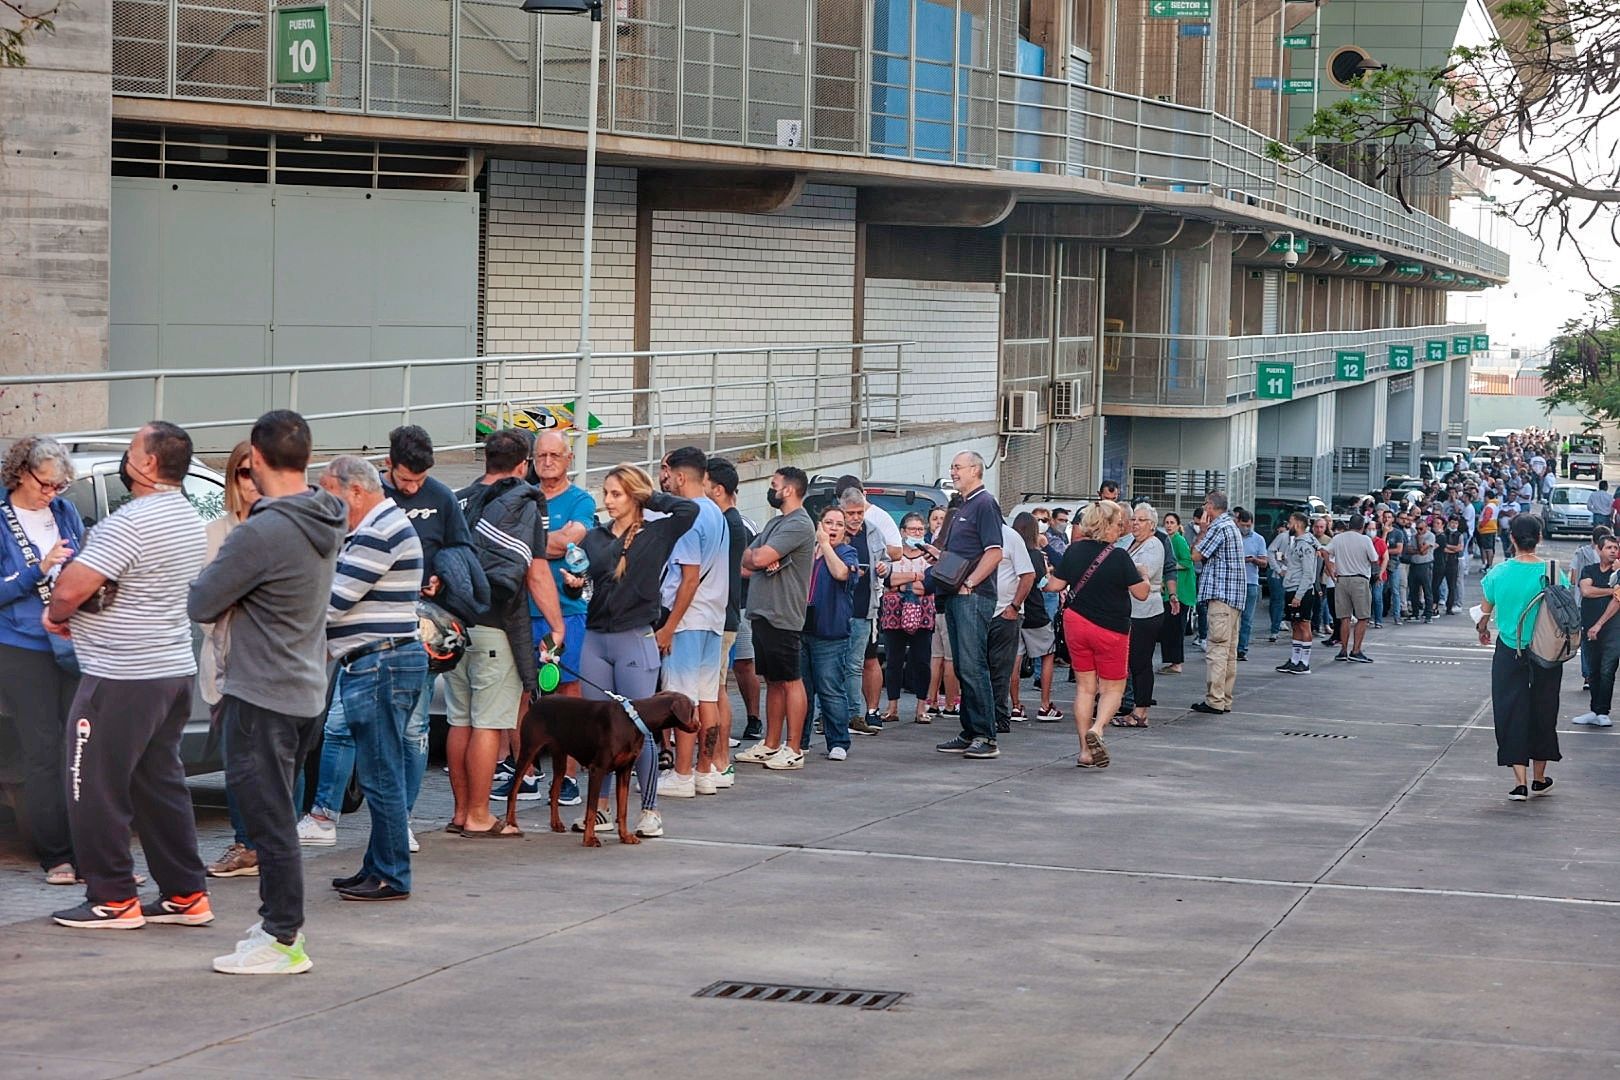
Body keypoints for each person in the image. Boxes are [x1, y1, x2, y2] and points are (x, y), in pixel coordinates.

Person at [188, 411, 343, 972]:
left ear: (253, 459)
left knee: (268, 820)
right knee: (275, 815)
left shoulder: (262, 532)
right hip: (303, 688)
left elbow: (201, 602)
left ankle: (283, 938)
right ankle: (277, 923)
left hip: (263, 695)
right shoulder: (327, 515)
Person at [42, 423, 208, 937]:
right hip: (172, 670)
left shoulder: (130, 522)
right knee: (160, 785)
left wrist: (57, 609)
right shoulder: (187, 516)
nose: (127, 456)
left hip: (122, 673)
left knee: (90, 785)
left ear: (150, 463)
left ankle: (113, 898)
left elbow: (72, 588)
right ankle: (186, 892)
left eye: (133, 449)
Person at [314, 457, 428, 901]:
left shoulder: (378, 530)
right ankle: (376, 867)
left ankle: (392, 874)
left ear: (355, 491)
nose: (326, 503)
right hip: (379, 661)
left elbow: (333, 602)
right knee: (380, 771)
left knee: (381, 775)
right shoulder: (376, 526)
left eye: (330, 494)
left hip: (380, 663)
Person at [443, 430, 565, 839]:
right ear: (523, 464)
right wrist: (557, 624)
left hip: (455, 626)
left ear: (485, 460)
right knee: (488, 724)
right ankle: (480, 814)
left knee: (459, 720)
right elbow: (536, 570)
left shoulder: (457, 500)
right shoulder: (523, 502)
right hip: (496, 627)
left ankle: (461, 812)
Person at [573, 464, 697, 836]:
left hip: (634, 636)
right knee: (599, 727)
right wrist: (572, 584)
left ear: (634, 496)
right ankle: (601, 809)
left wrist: (650, 496)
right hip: (595, 636)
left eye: (616, 493)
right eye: (606, 493)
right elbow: (582, 586)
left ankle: (650, 808)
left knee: (638, 724)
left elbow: (688, 510)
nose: (608, 501)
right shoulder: (594, 538)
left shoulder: (656, 534)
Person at [0, 435, 84, 886]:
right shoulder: (2, 516)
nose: (52, 493)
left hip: (70, 643)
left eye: (59, 486)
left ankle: (85, 845)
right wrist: (38, 569)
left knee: (79, 746)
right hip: (20, 645)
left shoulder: (65, 513)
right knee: (42, 749)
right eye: (45, 485)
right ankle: (55, 854)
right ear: (20, 473)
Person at [1044, 501, 1151, 767]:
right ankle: (1098, 729)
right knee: (1113, 687)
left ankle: (1084, 751)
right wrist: (1144, 576)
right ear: (1108, 525)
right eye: (1118, 524)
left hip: (1077, 623)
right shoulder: (1119, 556)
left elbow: (1055, 585)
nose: (1122, 529)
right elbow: (1141, 593)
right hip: (1111, 627)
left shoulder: (1075, 550)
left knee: (1084, 688)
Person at [200, 441, 260, 879]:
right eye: (243, 472)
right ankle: (245, 843)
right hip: (226, 667)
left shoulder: (286, 530)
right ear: (231, 480)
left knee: (279, 763)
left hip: (276, 668)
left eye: (259, 472)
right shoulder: (216, 534)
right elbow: (204, 604)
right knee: (237, 762)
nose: (252, 482)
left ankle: (270, 845)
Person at [654, 446, 729, 797]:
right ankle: (704, 771)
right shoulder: (717, 512)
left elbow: (688, 577)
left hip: (687, 619)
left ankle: (681, 774)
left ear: (681, 477)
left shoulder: (688, 515)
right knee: (707, 699)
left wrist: (668, 627)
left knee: (682, 700)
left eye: (667, 472)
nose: (664, 478)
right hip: (712, 619)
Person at [735, 468, 818, 769]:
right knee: (773, 680)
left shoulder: (798, 524)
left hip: (783, 613)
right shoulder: (775, 523)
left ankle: (793, 747)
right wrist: (758, 559)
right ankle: (771, 744)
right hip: (763, 613)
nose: (771, 490)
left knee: (791, 679)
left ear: (789, 490)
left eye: (774, 485)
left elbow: (755, 558)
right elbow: (749, 558)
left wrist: (759, 559)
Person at [1478, 514, 1563, 801]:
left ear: (1511, 538)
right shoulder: (1552, 572)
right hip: (1546, 652)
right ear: (1539, 537)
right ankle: (1540, 777)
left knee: (1510, 710)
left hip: (1509, 650)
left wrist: (1482, 629)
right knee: (1544, 709)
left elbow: (1485, 612)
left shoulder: (1498, 574)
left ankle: (1520, 781)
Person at [929, 452, 1006, 760]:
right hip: (956, 593)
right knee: (963, 665)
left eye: (958, 467)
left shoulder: (985, 503)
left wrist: (970, 583)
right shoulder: (961, 505)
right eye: (952, 467)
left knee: (973, 665)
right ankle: (971, 731)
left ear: (976, 470)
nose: (953, 472)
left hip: (973, 596)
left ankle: (986, 736)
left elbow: (995, 552)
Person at [800, 504, 859, 760]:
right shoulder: (805, 553)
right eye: (828, 522)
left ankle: (838, 741)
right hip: (802, 628)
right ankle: (798, 741)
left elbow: (841, 573)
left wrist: (825, 546)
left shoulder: (847, 552)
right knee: (802, 689)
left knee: (830, 688)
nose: (833, 528)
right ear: (819, 524)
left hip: (831, 631)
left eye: (838, 524)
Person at [1190, 491, 1245, 715]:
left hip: (1221, 598)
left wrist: (1202, 531)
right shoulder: (1232, 526)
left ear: (1211, 506)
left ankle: (1214, 700)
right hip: (1234, 599)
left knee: (1217, 651)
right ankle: (1225, 699)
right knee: (1229, 652)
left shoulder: (1218, 527)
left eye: (1205, 505)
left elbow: (1196, 555)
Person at [839, 489, 888, 735]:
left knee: (855, 665)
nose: (856, 518)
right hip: (836, 609)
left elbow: (887, 560)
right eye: (851, 513)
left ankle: (854, 715)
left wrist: (883, 567)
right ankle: (828, 715)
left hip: (864, 608)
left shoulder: (872, 532)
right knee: (832, 665)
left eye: (859, 512)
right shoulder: (834, 532)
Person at [881, 512, 936, 724]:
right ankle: (892, 706)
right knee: (893, 660)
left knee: (921, 660)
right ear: (902, 531)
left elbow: (929, 585)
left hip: (923, 615)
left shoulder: (929, 556)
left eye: (920, 529)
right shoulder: (893, 555)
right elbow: (888, 580)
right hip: (893, 614)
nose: (916, 533)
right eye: (912, 529)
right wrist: (914, 577)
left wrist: (901, 584)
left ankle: (922, 707)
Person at [1115, 502, 1165, 727]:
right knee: (1132, 662)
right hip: (1130, 611)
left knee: (1141, 663)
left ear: (1152, 525)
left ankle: (1141, 711)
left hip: (1146, 612)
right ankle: (1133, 706)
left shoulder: (1154, 545)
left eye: (1141, 520)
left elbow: (1143, 573)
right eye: (1133, 519)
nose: (1135, 523)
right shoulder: (1133, 544)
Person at [987, 518, 1037, 738]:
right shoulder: (969, 534)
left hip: (1004, 613)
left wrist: (1014, 607)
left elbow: (1028, 574)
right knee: (974, 668)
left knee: (1000, 669)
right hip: (975, 612)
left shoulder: (1010, 536)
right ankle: (978, 716)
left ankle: (999, 716)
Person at [1007, 512, 1059, 723]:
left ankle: (1016, 706)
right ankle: (1045, 705)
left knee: (1014, 660)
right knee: (1047, 654)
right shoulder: (1036, 555)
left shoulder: (1009, 552)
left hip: (1013, 610)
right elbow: (1043, 583)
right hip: (1036, 612)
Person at [1574, 535, 1620, 728]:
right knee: (1592, 670)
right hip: (1588, 626)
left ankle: (1603, 711)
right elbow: (1586, 591)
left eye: (1615, 548)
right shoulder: (1589, 569)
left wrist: (1599, 624)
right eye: (1609, 547)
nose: (1613, 551)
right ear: (1599, 550)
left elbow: (1617, 602)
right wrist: (1611, 590)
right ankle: (1594, 710)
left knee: (1607, 669)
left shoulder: (1618, 573)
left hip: (1612, 629)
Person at [1274, 512, 1323, 674]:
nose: (1288, 526)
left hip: (1300, 590)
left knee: (1304, 624)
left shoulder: (1305, 545)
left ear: (1297, 524)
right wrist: (1285, 561)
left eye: (1290, 522)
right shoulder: (1299, 543)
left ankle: (1305, 662)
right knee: (1295, 624)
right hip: (1291, 587)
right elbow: (1298, 566)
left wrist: (1299, 595)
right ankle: (1295, 660)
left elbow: (1308, 573)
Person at [1327, 515, 1379, 664]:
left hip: (1342, 579)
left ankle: (1343, 650)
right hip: (1360, 579)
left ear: (1349, 525)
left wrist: (1332, 571)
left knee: (1344, 617)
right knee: (1362, 617)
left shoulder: (1338, 538)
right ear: (1362, 527)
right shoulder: (1365, 540)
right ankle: (1356, 650)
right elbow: (1374, 558)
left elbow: (1325, 552)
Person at [1158, 511, 1194, 675]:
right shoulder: (1168, 540)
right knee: (1169, 628)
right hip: (1171, 591)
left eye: (1172, 522)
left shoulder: (1178, 540)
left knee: (1176, 628)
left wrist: (1169, 567)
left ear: (1178, 525)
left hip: (1180, 592)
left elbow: (1187, 561)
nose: (1169, 525)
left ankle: (1176, 663)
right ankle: (1172, 661)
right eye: (1167, 522)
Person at [1234, 508, 1268, 661]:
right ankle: (1231, 648)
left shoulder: (1259, 539)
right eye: (1243, 525)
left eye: (1248, 525)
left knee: (1247, 619)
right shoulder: (1233, 537)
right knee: (1233, 618)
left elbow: (1264, 562)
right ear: (1237, 522)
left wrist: (1254, 560)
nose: (1245, 528)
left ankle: (1242, 649)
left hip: (1251, 582)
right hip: (1234, 582)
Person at [1407, 514, 1436, 622]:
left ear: (1426, 527)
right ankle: (1415, 613)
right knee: (1413, 590)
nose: (1418, 531)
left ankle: (1428, 614)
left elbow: (1423, 551)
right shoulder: (1413, 535)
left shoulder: (1430, 536)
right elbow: (1408, 549)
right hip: (1414, 565)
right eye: (1417, 528)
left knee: (1427, 590)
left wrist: (1419, 541)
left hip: (1425, 565)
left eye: (1421, 529)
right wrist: (1417, 551)